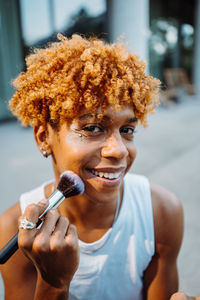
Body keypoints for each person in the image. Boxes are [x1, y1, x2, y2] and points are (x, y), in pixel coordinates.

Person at [0, 34, 183, 300]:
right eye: (92, 128)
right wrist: (54, 283)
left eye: (127, 129)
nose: (119, 150)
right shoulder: (12, 230)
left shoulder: (161, 213)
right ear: (43, 138)